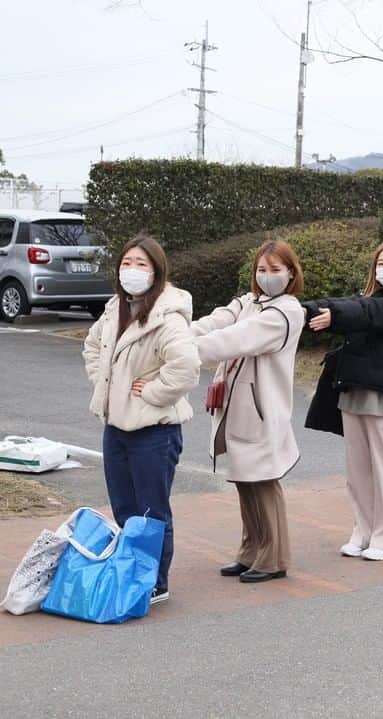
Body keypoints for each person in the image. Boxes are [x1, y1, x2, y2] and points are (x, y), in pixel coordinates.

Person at [82, 234, 200, 605]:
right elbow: (92, 346)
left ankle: (155, 580)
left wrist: (151, 393)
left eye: (141, 264)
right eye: (127, 263)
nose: (132, 271)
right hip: (115, 427)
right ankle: (130, 572)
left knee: (151, 510)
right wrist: (106, 384)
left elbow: (186, 369)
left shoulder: (167, 317)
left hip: (155, 431)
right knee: (124, 507)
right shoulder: (115, 307)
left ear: (157, 271)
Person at [304, 241, 383, 560]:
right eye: (381, 263)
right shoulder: (364, 301)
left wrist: (336, 315)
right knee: (357, 471)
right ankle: (363, 530)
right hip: (353, 392)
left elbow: (369, 312)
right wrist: (304, 308)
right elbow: (352, 305)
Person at [191, 240, 306, 583]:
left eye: (275, 270)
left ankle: (273, 559)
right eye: (262, 269)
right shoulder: (249, 302)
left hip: (262, 409)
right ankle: (250, 551)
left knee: (263, 483)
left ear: (290, 274)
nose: (267, 276)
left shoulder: (286, 311)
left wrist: (180, 351)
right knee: (244, 480)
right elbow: (215, 323)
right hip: (237, 407)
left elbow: (236, 339)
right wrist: (174, 337)